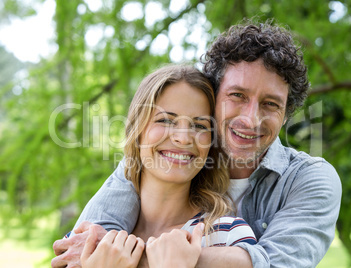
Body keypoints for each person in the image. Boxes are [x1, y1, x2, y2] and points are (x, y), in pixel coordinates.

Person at [52, 20, 342, 268]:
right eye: (238, 96)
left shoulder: (309, 179)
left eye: (270, 104)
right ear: (212, 99)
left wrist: (147, 258)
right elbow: (86, 245)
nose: (251, 119)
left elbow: (276, 263)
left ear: (285, 114)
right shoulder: (161, 161)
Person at [72, 64, 257, 268]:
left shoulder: (225, 237)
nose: (183, 138)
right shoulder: (90, 240)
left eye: (199, 125)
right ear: (137, 132)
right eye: (166, 120)